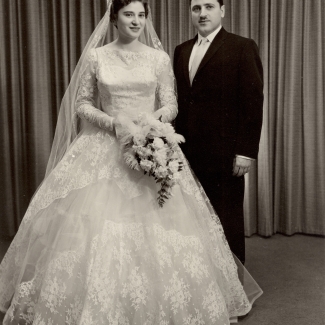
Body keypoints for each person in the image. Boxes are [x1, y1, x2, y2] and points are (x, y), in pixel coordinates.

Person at [0, 0, 262, 324]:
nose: (136, 21)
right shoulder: (97, 57)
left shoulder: (160, 58)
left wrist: (150, 125)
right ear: (114, 19)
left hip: (150, 142)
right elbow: (82, 104)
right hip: (102, 148)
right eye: (128, 14)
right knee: (95, 224)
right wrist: (114, 124)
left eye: (141, 15)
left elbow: (170, 103)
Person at [174, 0, 264, 265]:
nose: (202, 14)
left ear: (222, 11)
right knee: (190, 217)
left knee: (227, 218)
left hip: (225, 153)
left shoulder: (242, 46)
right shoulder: (181, 50)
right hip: (187, 152)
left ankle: (234, 283)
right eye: (196, 8)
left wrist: (245, 152)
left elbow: (252, 102)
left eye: (209, 7)